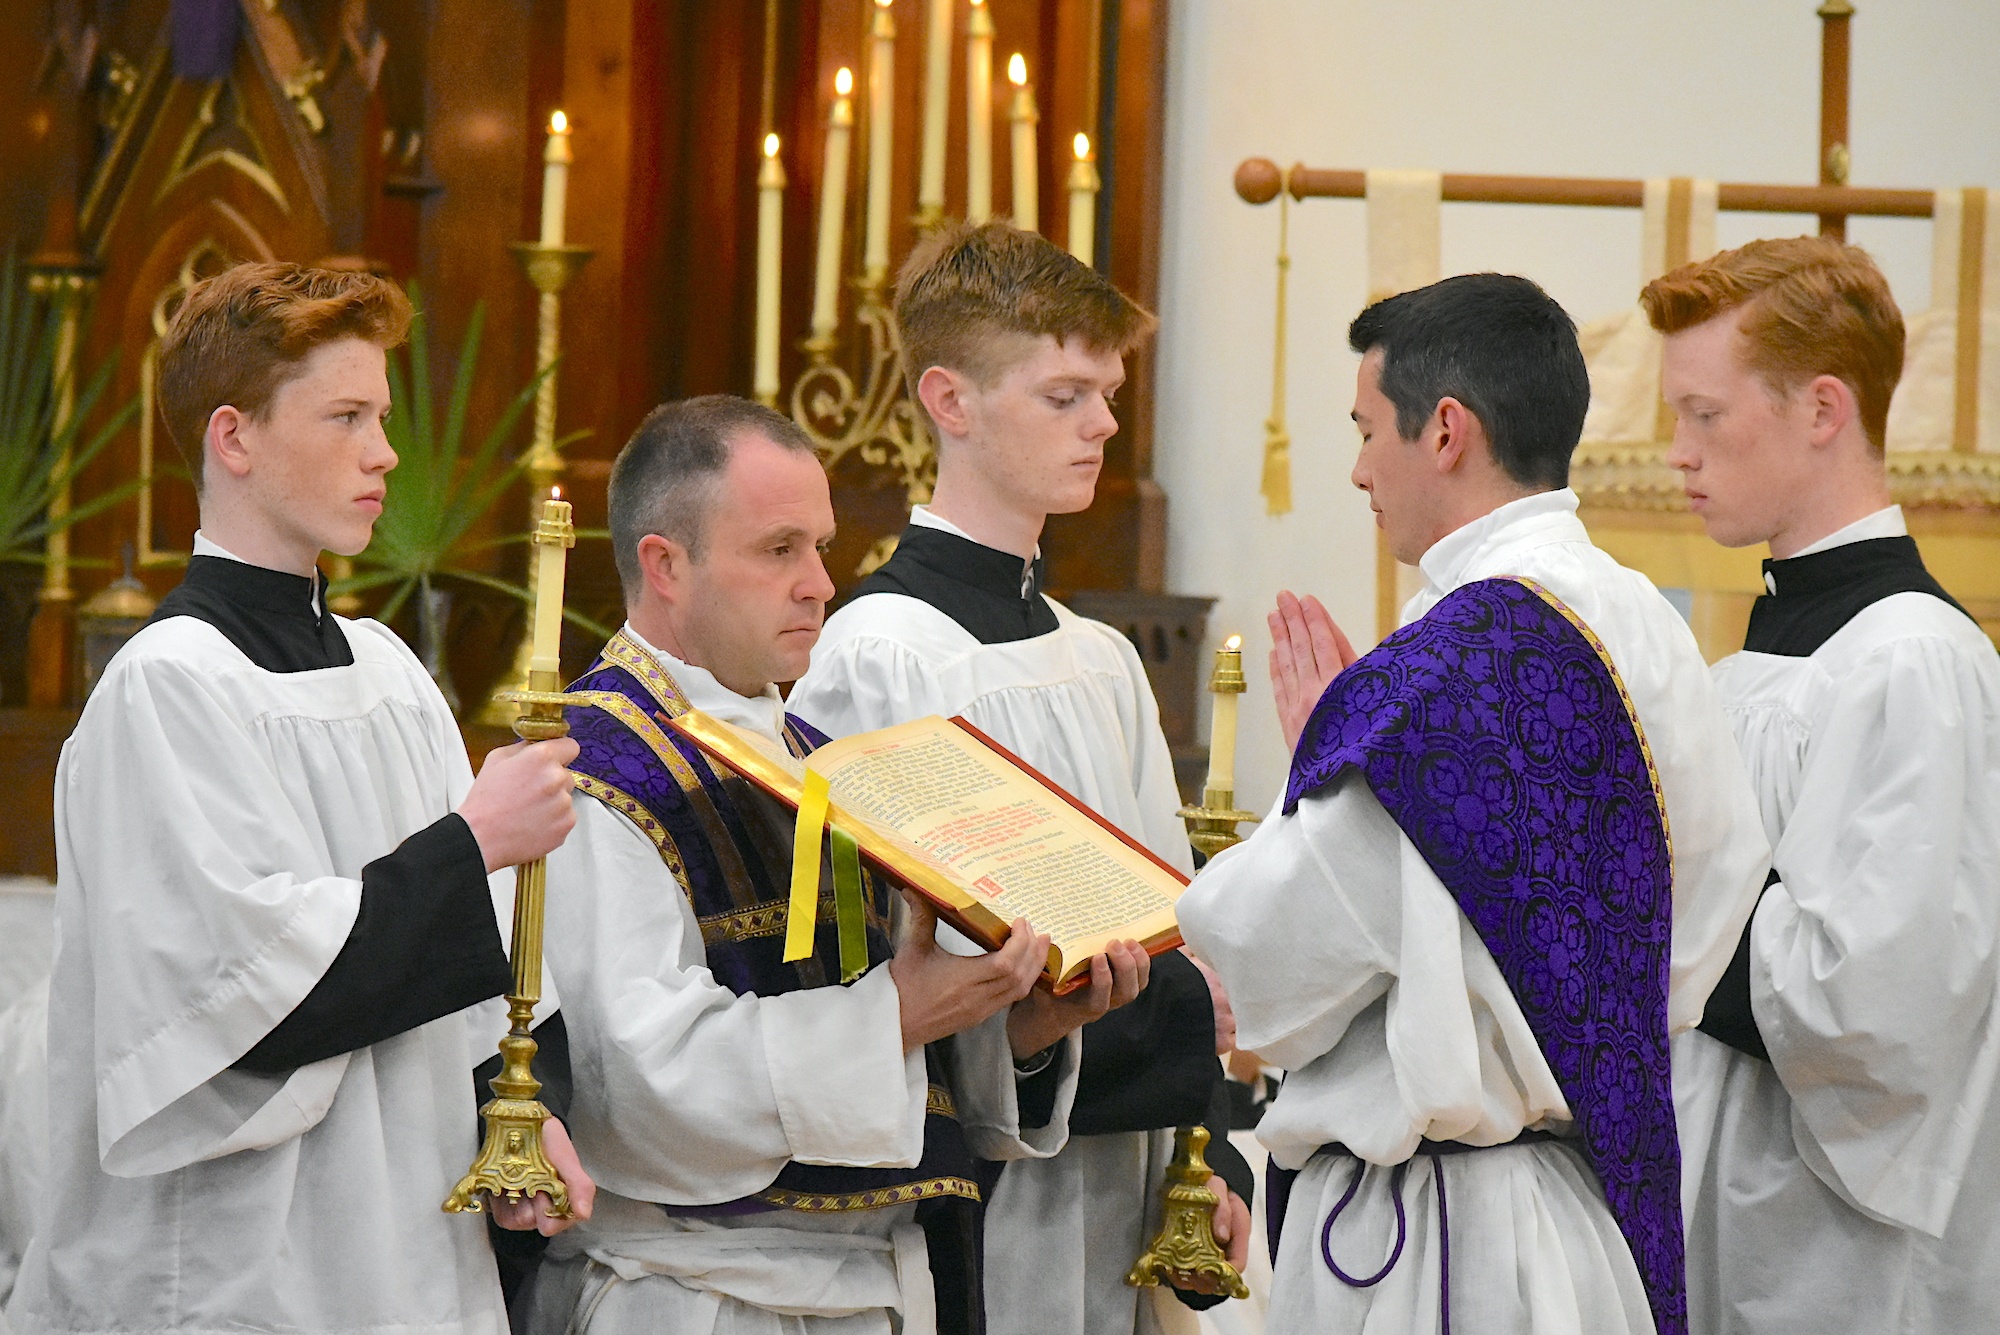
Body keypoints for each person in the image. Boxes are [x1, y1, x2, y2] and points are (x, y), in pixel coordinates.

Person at [1176, 273, 1770, 1335]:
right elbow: (1718, 893)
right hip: (1584, 1205)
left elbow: (1265, 960)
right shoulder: (1646, 622)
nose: (1359, 469)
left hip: (1437, 1239)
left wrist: (1326, 759)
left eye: (1367, 430)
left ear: (1445, 430)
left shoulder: (1440, 673)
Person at [5, 263, 592, 1335]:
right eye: (346, 416)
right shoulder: (168, 685)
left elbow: (480, 972)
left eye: (382, 416)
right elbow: (235, 991)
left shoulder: (390, 673)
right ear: (234, 439)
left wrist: (519, 1114)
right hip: (236, 1267)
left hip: (408, 1249)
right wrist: (472, 843)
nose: (385, 452)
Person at [524, 394, 1148, 1335]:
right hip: (697, 1292)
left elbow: (886, 1016)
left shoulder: (818, 758)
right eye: (779, 550)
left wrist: (1022, 1028)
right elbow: (640, 1077)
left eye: (820, 546)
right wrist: (900, 1011)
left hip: (874, 1287)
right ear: (666, 565)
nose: (819, 583)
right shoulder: (590, 768)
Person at [789, 221, 1253, 1335]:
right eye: (1064, 396)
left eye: (1108, 394)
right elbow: (880, 963)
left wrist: (1212, 1153)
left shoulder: (1098, 659)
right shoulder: (882, 654)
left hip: (1129, 1178)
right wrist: (1175, 1016)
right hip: (983, 1191)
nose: (1103, 424)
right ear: (948, 400)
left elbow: (1169, 921)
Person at [1646, 236, 2000, 1333]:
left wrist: (1633, 871)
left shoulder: (1911, 663)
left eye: (1705, 415)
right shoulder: (1750, 667)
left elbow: (1871, 1011)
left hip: (1832, 1256)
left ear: (1822, 409)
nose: (1676, 453)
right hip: (1720, 1201)